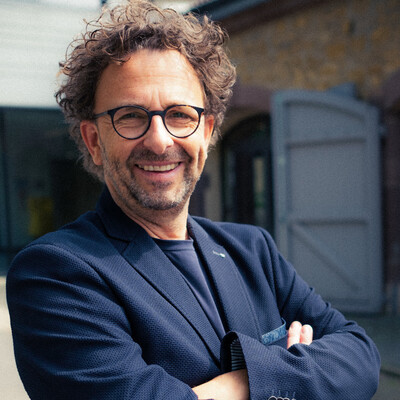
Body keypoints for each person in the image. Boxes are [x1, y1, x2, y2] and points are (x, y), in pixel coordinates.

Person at [7, 1, 380, 399]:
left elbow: (361, 359)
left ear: (206, 131)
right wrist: (277, 371)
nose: (159, 140)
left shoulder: (253, 250)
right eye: (130, 115)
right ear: (94, 141)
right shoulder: (55, 273)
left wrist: (237, 383)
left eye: (180, 115)